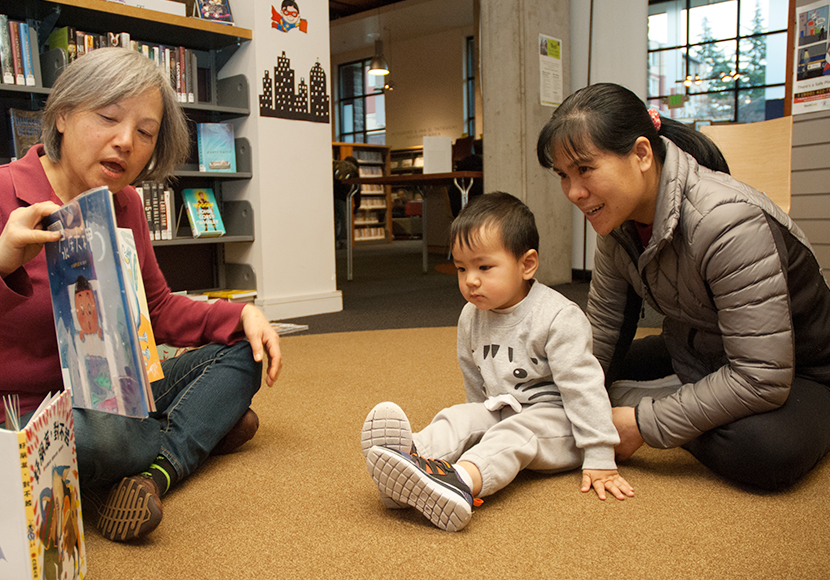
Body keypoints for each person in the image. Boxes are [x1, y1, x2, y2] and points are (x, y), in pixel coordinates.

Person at [0, 47, 282, 541]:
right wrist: (3, 260)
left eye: (145, 132)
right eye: (107, 118)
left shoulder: (124, 201)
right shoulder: (5, 190)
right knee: (114, 435)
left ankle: (150, 470)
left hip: (118, 388)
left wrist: (240, 315)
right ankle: (186, 438)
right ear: (62, 115)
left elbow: (156, 308)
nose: (126, 141)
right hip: (30, 411)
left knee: (247, 351)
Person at [536, 82, 830, 491]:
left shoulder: (728, 222)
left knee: (764, 450)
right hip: (699, 345)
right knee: (569, 363)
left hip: (801, 370)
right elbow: (603, 334)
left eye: (584, 169)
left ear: (641, 154)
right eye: (563, 176)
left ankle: (657, 402)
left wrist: (643, 423)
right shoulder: (617, 224)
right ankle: (679, 398)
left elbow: (762, 376)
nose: (574, 192)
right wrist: (571, 396)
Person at [361, 192, 633, 532]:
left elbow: (585, 389)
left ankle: (461, 481)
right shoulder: (471, 316)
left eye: (484, 267)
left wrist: (599, 455)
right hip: (504, 407)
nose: (470, 280)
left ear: (527, 264)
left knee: (515, 432)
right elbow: (474, 377)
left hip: (559, 425)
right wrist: (476, 421)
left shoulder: (558, 317)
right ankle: (409, 456)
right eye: (461, 268)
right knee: (460, 415)